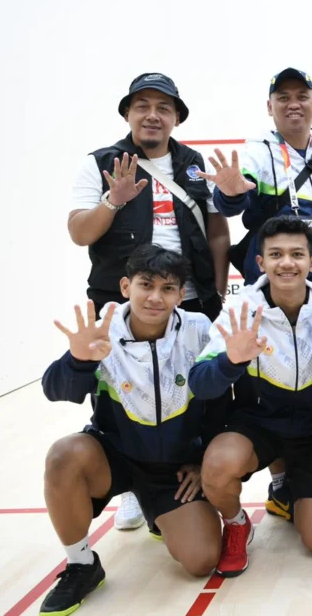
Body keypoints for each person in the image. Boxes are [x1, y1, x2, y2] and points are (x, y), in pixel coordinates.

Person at [68, 72, 230, 531]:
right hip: (121, 305)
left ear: (176, 117)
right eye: (142, 106)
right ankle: (133, 487)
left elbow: (217, 231)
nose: (152, 115)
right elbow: (80, 232)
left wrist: (214, 291)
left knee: (192, 395)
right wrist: (113, 202)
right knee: (120, 394)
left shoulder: (195, 164)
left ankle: (185, 478)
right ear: (127, 114)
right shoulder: (99, 163)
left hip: (191, 299)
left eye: (163, 107)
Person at [38, 245, 227, 615]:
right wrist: (77, 359)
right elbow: (55, 390)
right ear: (126, 286)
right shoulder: (102, 330)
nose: (156, 297)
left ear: (180, 293)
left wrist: (204, 458)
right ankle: (81, 564)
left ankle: (157, 511)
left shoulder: (200, 330)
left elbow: (221, 403)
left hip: (174, 471)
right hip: (115, 457)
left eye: (168, 288)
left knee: (201, 560)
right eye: (146, 285)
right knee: (63, 455)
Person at [191, 217, 312, 576]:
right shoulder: (239, 310)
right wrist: (232, 361)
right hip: (256, 425)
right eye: (276, 254)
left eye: (297, 254)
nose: (287, 263)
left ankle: (287, 486)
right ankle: (236, 524)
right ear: (260, 263)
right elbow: (200, 383)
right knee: (217, 465)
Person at [201, 67, 312, 301]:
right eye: (283, 98)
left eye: (302, 97)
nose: (293, 104)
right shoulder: (256, 153)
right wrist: (230, 194)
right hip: (271, 293)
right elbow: (230, 205)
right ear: (269, 107)